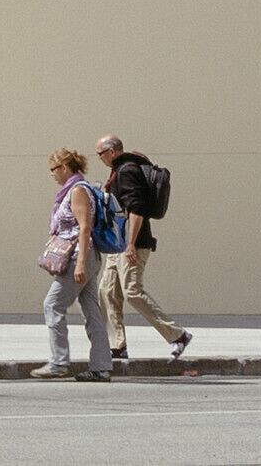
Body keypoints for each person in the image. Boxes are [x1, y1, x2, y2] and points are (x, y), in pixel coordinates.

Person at [96, 134, 192, 363]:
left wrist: (130, 244)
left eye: (100, 153)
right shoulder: (120, 168)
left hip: (132, 244)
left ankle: (178, 334)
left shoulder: (127, 170)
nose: (99, 158)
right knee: (107, 291)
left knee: (132, 291)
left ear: (112, 151)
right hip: (117, 244)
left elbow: (136, 209)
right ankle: (116, 345)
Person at [37, 147, 110, 380]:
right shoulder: (74, 189)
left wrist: (79, 264)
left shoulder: (77, 190)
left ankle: (59, 362)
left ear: (65, 168)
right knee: (91, 311)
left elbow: (85, 226)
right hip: (87, 256)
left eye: (53, 170)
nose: (52, 175)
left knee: (52, 304)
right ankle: (101, 367)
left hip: (81, 255)